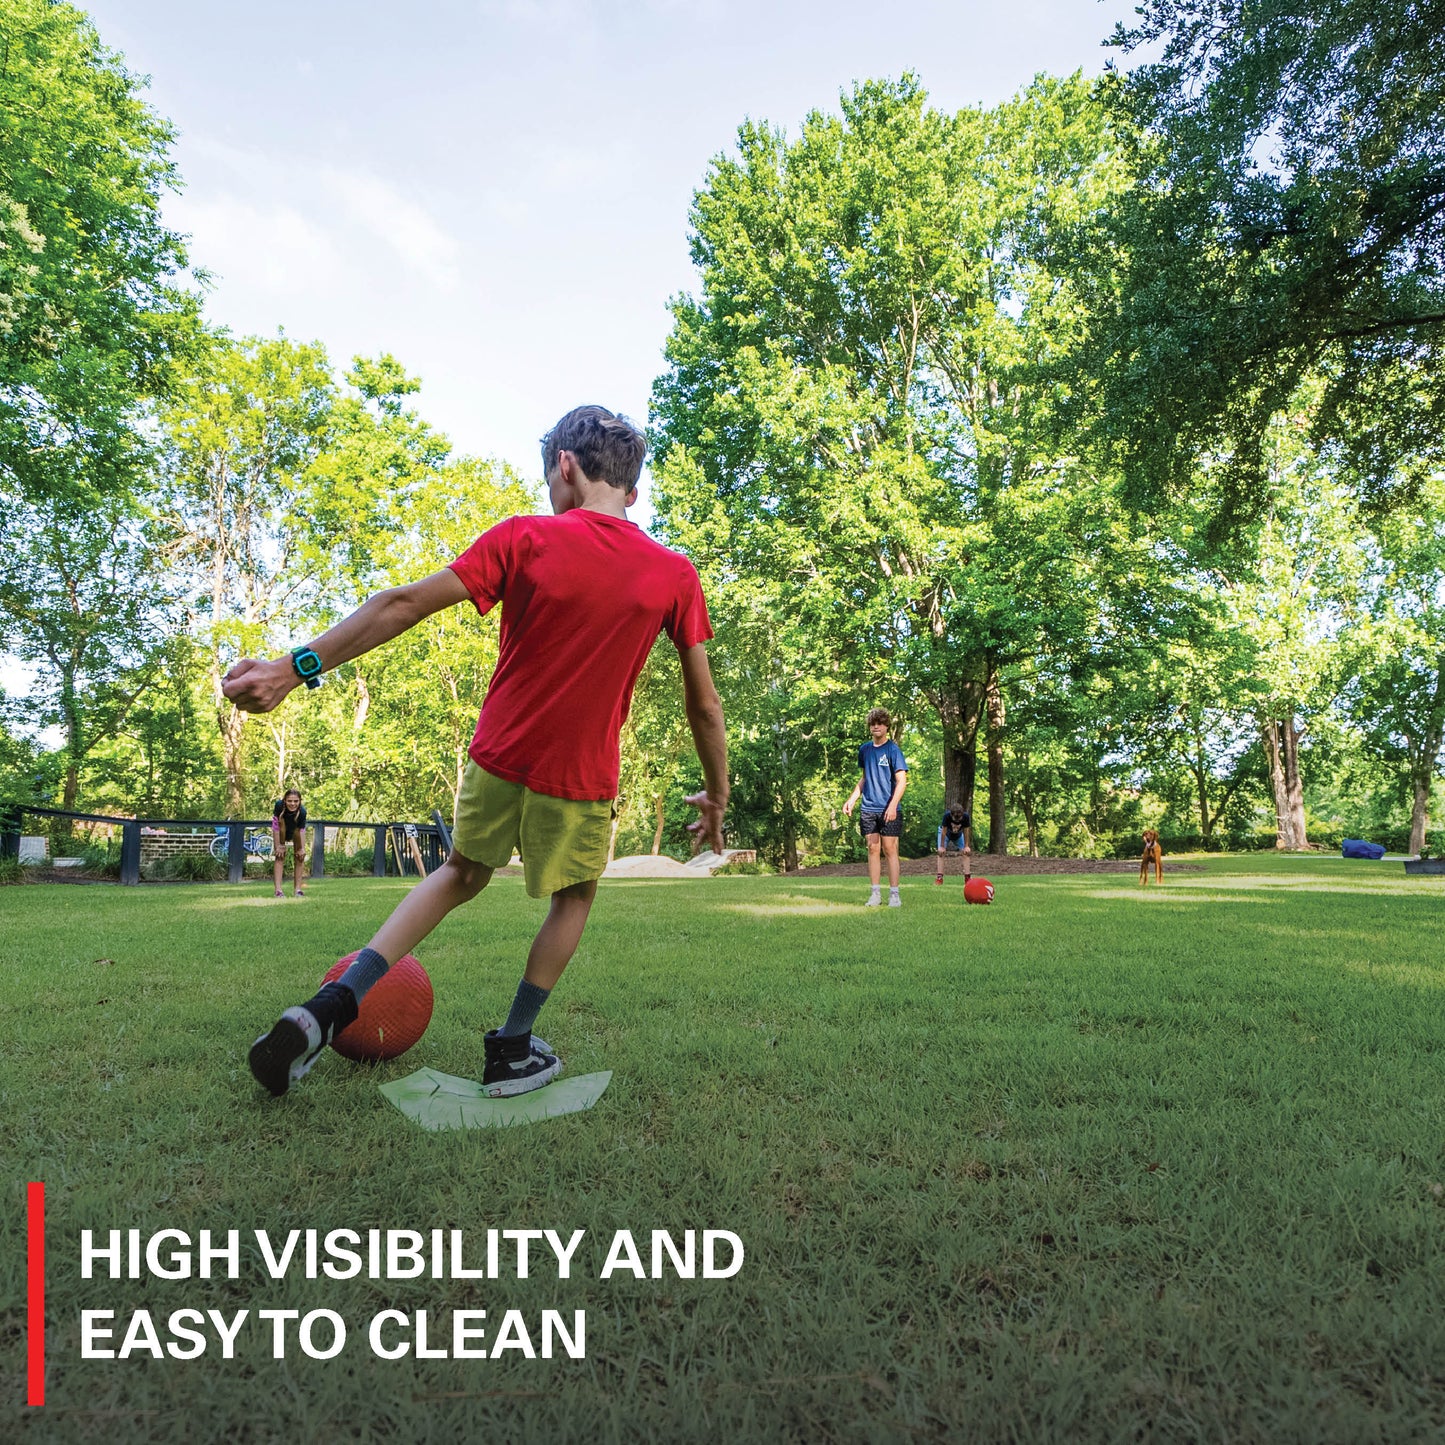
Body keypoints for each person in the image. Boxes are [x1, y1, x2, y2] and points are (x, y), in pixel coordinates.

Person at [224, 406, 728, 1099]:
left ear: (565, 467)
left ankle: (328, 1008)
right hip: (578, 779)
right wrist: (716, 791)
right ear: (632, 491)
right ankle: (513, 1047)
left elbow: (400, 604)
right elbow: (704, 704)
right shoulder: (672, 573)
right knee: (574, 896)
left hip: (496, 757)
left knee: (461, 873)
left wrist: (291, 667)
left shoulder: (525, 538)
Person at [842, 707, 908, 907]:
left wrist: (893, 806)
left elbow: (902, 781)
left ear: (886, 726)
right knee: (872, 848)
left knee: (890, 849)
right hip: (869, 807)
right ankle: (875, 894)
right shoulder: (865, 750)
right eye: (872, 723)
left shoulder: (893, 750)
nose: (876, 726)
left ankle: (894, 895)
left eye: (879, 723)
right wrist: (852, 799)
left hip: (889, 808)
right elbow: (865, 778)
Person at [272, 788, 307, 898]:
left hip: (296, 829)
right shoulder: (279, 806)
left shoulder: (302, 812)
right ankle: (278, 891)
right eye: (290, 801)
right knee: (280, 855)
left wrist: (300, 848)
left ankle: (298, 890)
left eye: (296, 801)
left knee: (300, 856)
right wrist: (280, 845)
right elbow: (280, 825)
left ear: (300, 801)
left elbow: (297, 831)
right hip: (279, 827)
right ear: (285, 801)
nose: (293, 804)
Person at [934, 803, 972, 885]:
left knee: (966, 853)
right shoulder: (947, 816)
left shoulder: (966, 817)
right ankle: (939, 878)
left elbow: (966, 831)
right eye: (955, 818)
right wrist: (942, 846)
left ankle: (967, 878)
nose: (957, 820)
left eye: (959, 818)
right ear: (951, 815)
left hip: (958, 835)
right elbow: (944, 831)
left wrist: (966, 846)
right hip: (946, 834)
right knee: (941, 853)